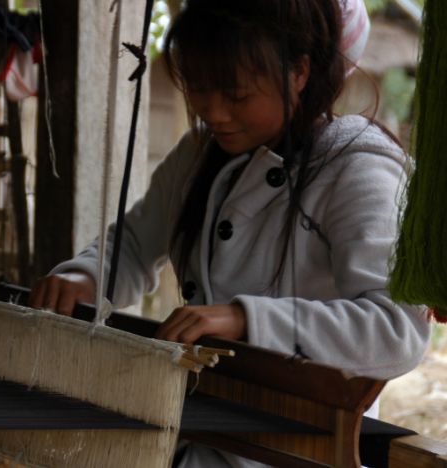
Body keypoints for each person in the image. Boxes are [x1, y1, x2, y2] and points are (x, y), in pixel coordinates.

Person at [30, 0, 430, 466]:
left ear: (299, 72)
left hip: (297, 451)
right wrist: (85, 279)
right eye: (199, 89)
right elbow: (136, 243)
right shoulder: (200, 152)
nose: (214, 112)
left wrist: (246, 321)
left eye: (236, 95)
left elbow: (395, 331)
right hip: (195, 434)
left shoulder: (358, 169)